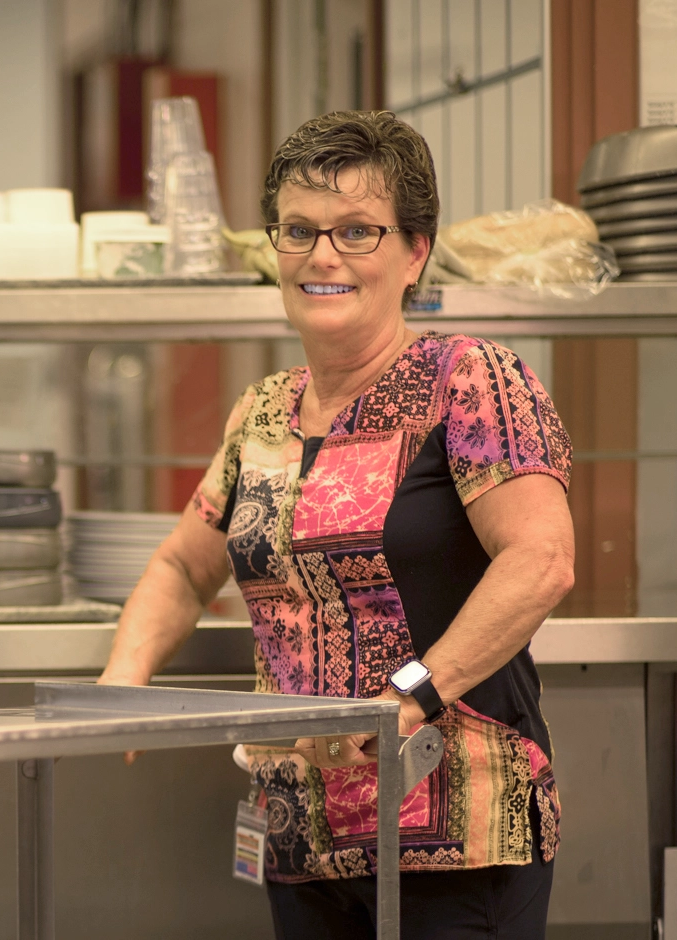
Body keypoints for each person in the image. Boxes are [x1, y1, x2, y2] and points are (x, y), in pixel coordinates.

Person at [100, 110, 575, 939]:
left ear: (414, 250)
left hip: (454, 838)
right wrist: (121, 680)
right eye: (299, 231)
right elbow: (183, 569)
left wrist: (411, 692)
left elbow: (541, 560)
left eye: (358, 232)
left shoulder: (468, 380)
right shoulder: (261, 414)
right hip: (303, 840)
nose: (323, 256)